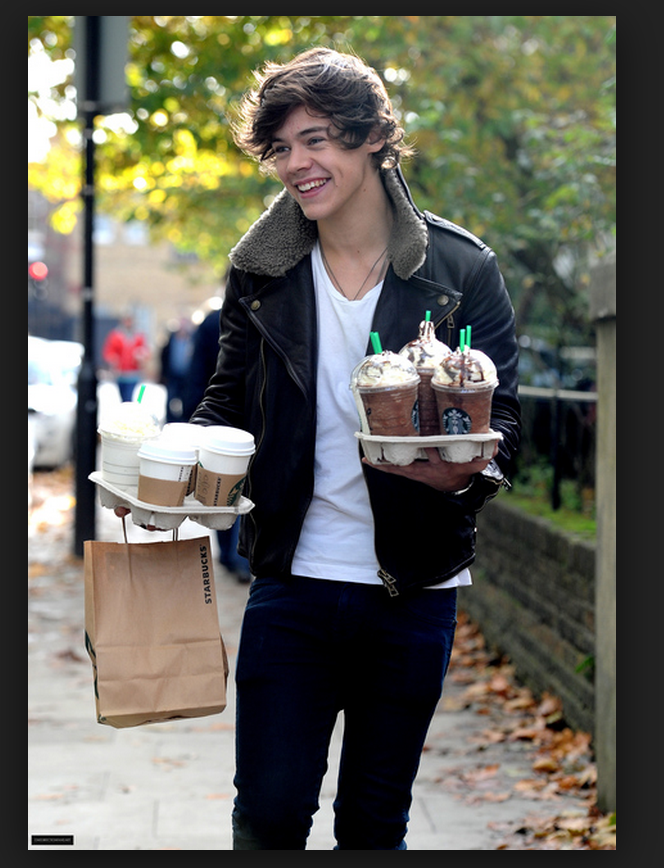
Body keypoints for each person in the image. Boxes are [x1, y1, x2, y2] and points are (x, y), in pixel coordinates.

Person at [189, 47, 520, 849]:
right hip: (291, 581)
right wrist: (171, 468)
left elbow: (504, 422)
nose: (295, 164)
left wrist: (460, 475)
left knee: (374, 826)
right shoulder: (260, 272)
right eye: (281, 148)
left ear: (373, 136)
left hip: (415, 588)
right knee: (268, 818)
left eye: (316, 140)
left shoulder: (460, 269)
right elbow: (225, 403)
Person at [184, 303, 252, 584]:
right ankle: (237, 557)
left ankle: (228, 553)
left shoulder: (211, 321)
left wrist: (191, 415)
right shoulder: (267, 309)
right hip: (246, 412)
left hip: (216, 410)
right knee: (240, 483)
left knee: (219, 482)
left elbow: (196, 371)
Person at [102, 313, 150, 402]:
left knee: (133, 396)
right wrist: (113, 359)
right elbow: (109, 351)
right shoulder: (115, 335)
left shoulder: (139, 336)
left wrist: (141, 356)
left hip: (134, 373)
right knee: (123, 397)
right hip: (120, 373)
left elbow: (145, 351)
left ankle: (135, 407)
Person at [159, 316, 194, 422]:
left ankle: (183, 420)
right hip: (172, 375)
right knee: (170, 397)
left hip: (186, 376)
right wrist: (163, 375)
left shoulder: (192, 340)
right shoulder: (171, 340)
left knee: (185, 399)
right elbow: (164, 356)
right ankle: (169, 420)